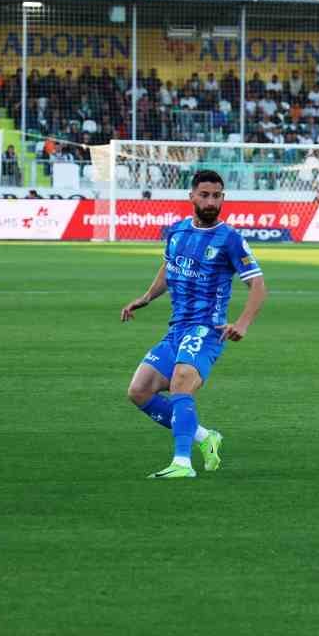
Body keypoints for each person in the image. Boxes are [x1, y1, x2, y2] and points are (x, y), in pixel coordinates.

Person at [120, 169, 269, 479]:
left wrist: (242, 324)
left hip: (206, 329)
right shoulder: (176, 232)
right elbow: (169, 267)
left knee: (181, 382)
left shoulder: (230, 239)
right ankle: (205, 437)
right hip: (177, 329)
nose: (211, 201)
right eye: (205, 195)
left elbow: (258, 286)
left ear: (223, 198)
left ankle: (182, 463)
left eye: (217, 196)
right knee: (139, 391)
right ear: (192, 197)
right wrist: (146, 297)